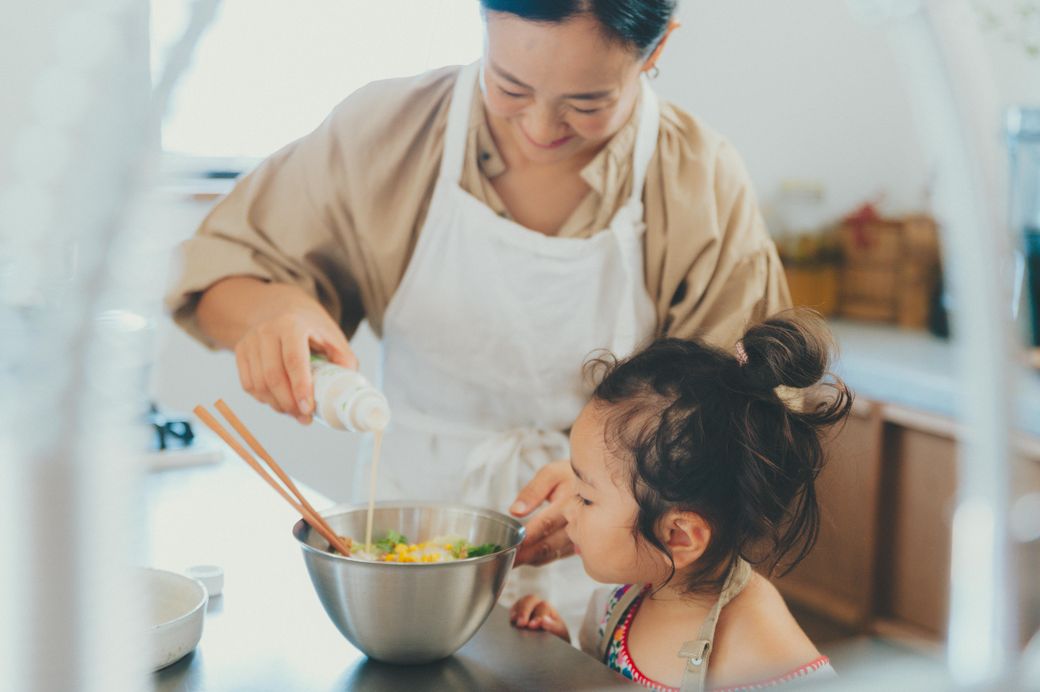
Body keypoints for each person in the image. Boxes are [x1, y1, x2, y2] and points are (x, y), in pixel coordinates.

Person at [165, 0, 790, 627]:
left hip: (612, 569)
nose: (541, 128)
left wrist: (615, 492)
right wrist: (273, 309)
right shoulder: (388, 132)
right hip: (406, 535)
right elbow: (217, 270)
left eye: (588, 102)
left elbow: (744, 422)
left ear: (656, 51)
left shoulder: (697, 180)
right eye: (510, 85)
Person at [509, 310, 852, 690]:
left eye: (586, 498)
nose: (567, 509)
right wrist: (565, 656)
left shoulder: (764, 657)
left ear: (680, 537)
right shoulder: (626, 601)